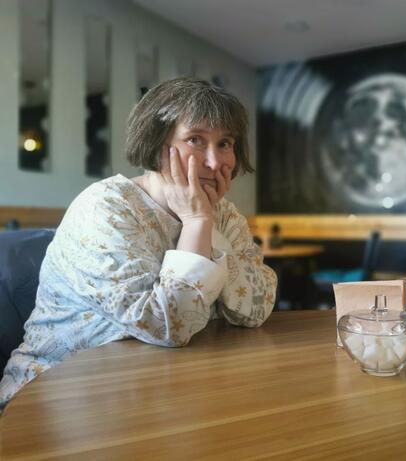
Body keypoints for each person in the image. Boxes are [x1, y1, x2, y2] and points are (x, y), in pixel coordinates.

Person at [0, 77, 277, 411]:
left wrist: (208, 222)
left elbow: (258, 307)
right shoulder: (105, 208)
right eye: (195, 140)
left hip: (163, 393)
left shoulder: (226, 215)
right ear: (158, 143)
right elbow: (168, 325)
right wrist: (198, 222)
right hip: (56, 400)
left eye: (225, 143)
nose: (216, 162)